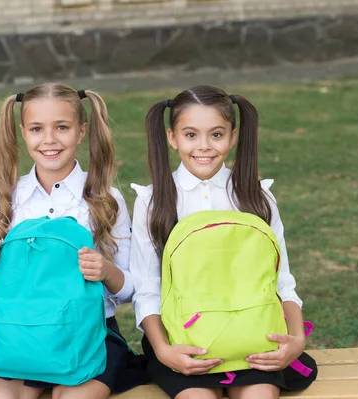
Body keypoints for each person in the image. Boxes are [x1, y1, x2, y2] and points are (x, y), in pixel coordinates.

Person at [130, 85, 317, 399]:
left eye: (216, 135)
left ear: (232, 136)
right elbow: (147, 287)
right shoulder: (153, 201)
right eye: (191, 135)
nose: (204, 146)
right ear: (172, 137)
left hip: (252, 339)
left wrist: (296, 339)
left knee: (260, 394)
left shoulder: (256, 197)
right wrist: (163, 351)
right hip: (183, 343)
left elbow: (280, 278)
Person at [0, 82, 146, 399]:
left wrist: (105, 271)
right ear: (23, 132)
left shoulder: (105, 200)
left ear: (81, 132)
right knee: (1, 394)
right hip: (25, 333)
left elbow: (130, 289)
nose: (49, 139)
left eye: (62, 127)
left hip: (91, 334)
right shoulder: (11, 198)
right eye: (37, 128)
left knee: (73, 396)